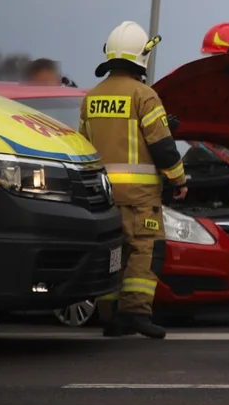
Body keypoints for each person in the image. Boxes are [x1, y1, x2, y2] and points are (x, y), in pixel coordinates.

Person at [79, 21, 188, 339]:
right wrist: (178, 180)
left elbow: (84, 145)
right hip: (140, 195)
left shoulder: (91, 98)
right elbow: (162, 146)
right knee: (146, 249)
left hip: (104, 194)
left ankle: (110, 316)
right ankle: (137, 312)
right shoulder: (145, 95)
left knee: (114, 252)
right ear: (143, 56)